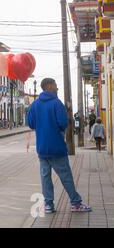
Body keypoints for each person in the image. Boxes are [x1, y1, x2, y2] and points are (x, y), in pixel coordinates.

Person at [27, 78, 92, 214]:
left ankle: (49, 205)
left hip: (42, 149)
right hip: (57, 147)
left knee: (45, 177)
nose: (57, 88)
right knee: (65, 176)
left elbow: (31, 124)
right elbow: (63, 123)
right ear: (49, 86)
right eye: (56, 85)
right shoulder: (56, 103)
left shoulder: (35, 104)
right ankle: (75, 203)